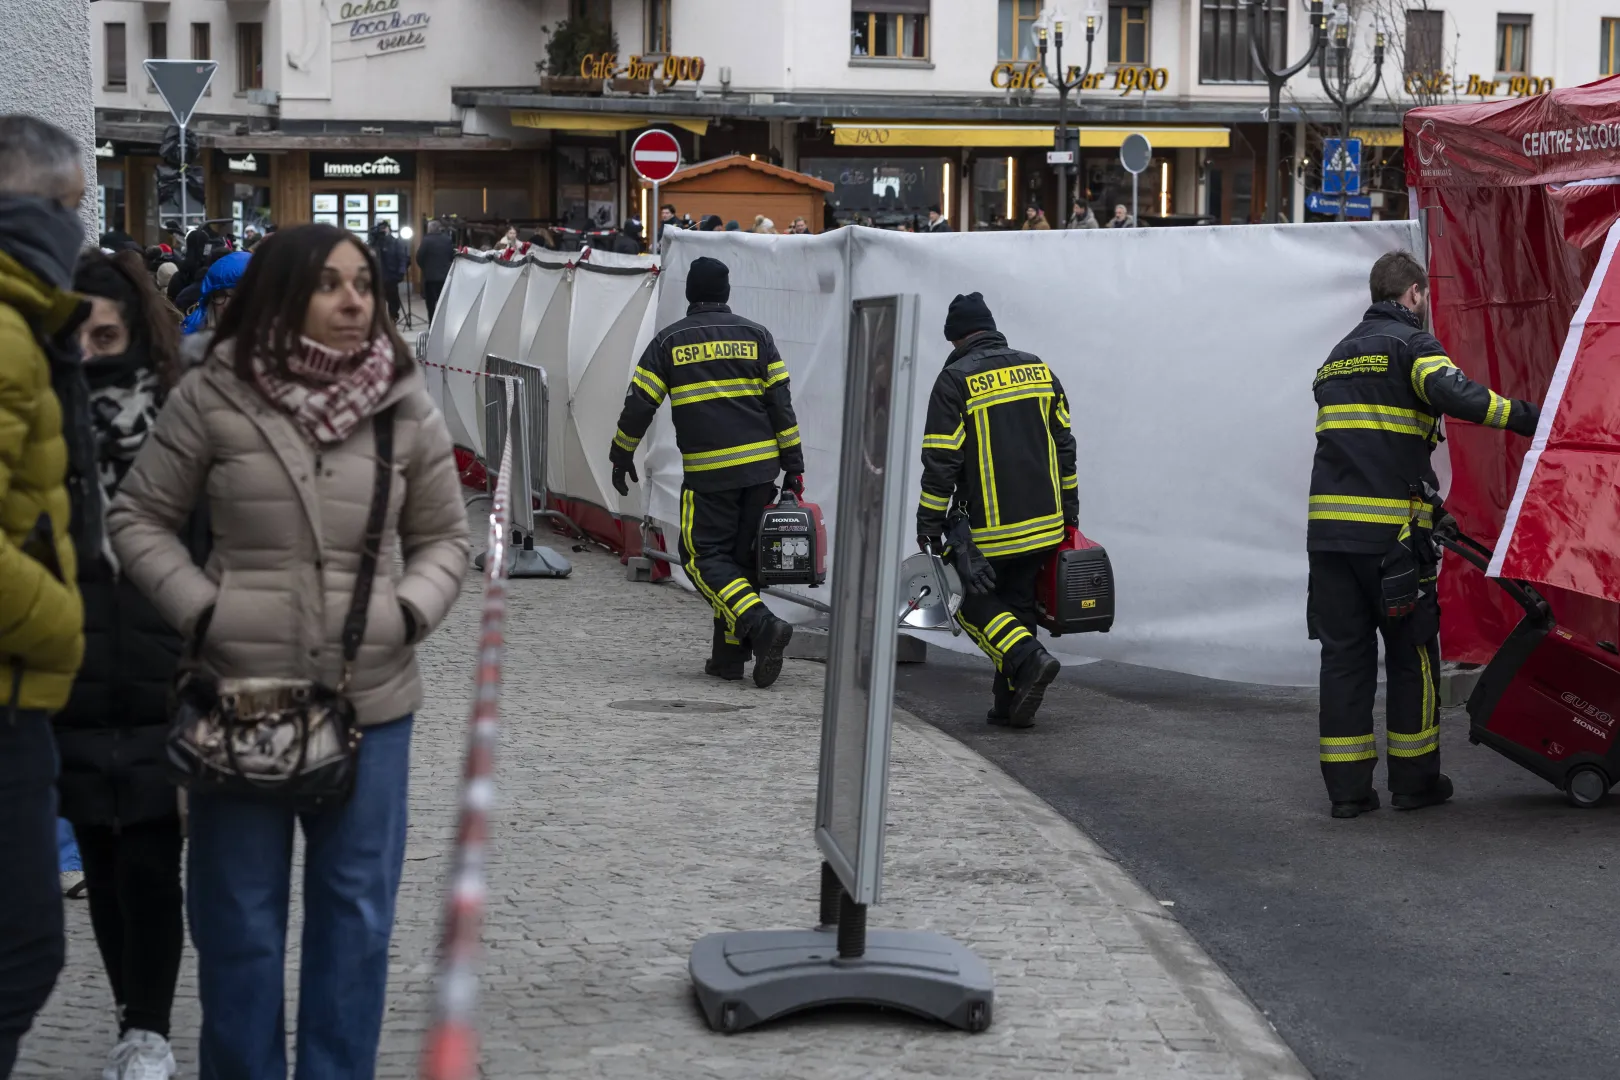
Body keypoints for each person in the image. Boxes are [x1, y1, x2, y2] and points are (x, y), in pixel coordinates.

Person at [107, 223, 470, 1079]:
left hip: (370, 701)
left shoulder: (401, 398)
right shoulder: (213, 394)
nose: (355, 300)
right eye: (330, 285)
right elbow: (137, 519)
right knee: (238, 925)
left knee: (355, 922)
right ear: (281, 295)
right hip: (240, 697)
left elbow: (447, 538)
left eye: (363, 285)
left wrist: (407, 614)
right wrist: (204, 613)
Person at [1309, 251, 1540, 820]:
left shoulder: (1336, 358)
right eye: (1423, 297)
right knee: (1412, 655)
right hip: (1391, 540)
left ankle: (1348, 794)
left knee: (1344, 659)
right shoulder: (1413, 345)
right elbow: (1459, 396)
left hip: (1330, 538)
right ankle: (1414, 782)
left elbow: (1370, 444)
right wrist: (1536, 418)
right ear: (1413, 293)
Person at [58, 248, 192, 1080]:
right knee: (101, 857)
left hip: (161, 661)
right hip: (70, 665)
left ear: (137, 329)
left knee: (148, 855)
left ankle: (151, 1026)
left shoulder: (180, 416)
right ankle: (127, 1012)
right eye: (77, 338)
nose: (91, 353)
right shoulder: (40, 416)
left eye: (106, 335)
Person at [0, 112, 93, 1080]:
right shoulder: (6, 330)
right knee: (22, 953)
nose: (80, 233)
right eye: (70, 210)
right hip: (8, 687)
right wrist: (68, 618)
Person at [608, 256, 800, 687]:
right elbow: (781, 407)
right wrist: (794, 468)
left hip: (710, 474)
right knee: (736, 564)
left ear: (692, 294)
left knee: (700, 559)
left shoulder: (670, 341)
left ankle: (761, 622)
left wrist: (621, 454)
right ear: (726, 294)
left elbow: (640, 403)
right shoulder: (758, 337)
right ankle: (728, 658)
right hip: (759, 471)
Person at [917, 292, 1072, 728]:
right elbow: (1065, 448)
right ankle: (1010, 704)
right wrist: (1070, 514)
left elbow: (940, 462)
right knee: (1018, 606)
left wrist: (928, 526)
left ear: (955, 338)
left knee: (963, 599)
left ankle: (1028, 658)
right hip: (1044, 521)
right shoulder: (1039, 370)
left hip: (989, 529)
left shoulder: (954, 380)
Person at [415, 219, 455, 322]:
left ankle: (432, 324)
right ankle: (444, 323)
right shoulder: (447, 240)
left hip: (430, 278)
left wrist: (425, 268)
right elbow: (451, 256)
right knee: (444, 303)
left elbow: (419, 257)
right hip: (444, 277)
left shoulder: (426, 240)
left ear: (429, 229)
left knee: (431, 304)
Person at [371, 220, 408, 324]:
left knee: (393, 299)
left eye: (384, 227)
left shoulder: (395, 242)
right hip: (377, 276)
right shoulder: (375, 242)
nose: (383, 230)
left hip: (391, 276)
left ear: (389, 229)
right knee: (377, 299)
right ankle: (379, 320)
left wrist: (401, 272)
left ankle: (393, 317)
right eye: (380, 228)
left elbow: (402, 258)